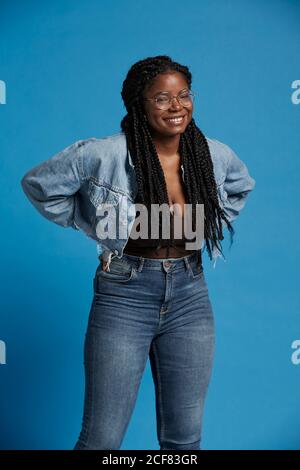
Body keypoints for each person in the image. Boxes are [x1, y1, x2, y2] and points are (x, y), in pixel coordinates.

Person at [21, 55, 255, 450]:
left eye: (184, 95)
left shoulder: (213, 155)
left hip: (190, 294)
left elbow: (239, 187)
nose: (177, 106)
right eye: (162, 98)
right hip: (124, 293)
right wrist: (96, 224)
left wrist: (204, 225)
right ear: (139, 103)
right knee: (101, 439)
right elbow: (39, 186)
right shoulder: (102, 154)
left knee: (184, 440)